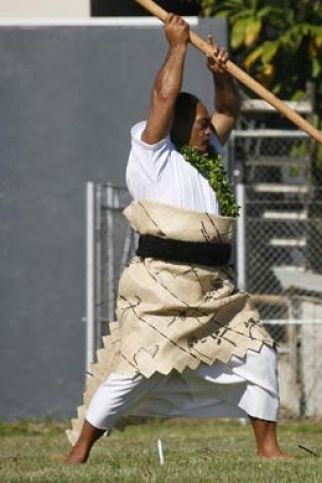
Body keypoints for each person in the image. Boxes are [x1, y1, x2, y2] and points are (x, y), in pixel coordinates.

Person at [65, 14, 285, 463]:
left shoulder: (209, 157)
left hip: (215, 288)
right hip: (162, 287)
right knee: (132, 370)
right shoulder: (152, 156)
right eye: (200, 123)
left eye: (207, 124)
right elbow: (163, 96)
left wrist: (221, 77)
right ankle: (80, 452)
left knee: (258, 350)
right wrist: (178, 47)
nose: (208, 129)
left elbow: (228, 111)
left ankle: (268, 448)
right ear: (177, 126)